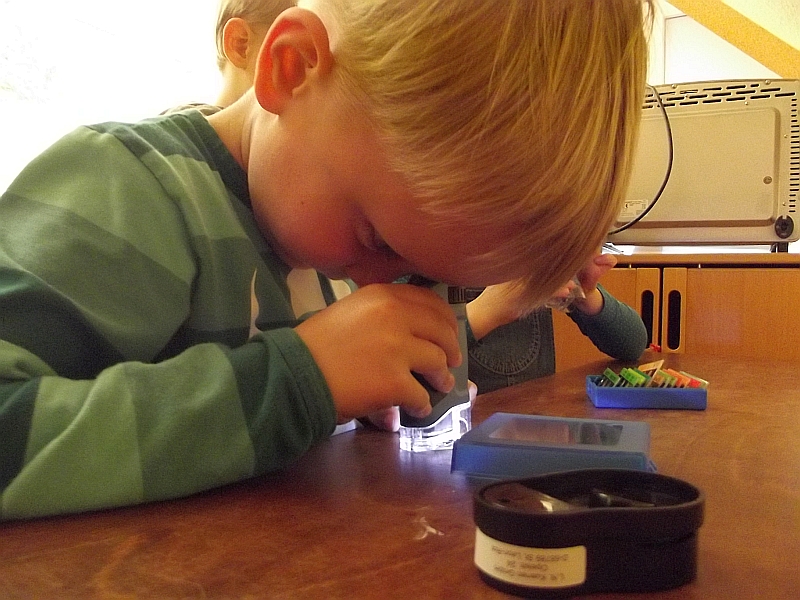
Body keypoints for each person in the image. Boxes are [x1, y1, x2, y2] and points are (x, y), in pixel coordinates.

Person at [0, 0, 653, 520]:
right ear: (291, 68)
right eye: (376, 238)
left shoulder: (318, 240)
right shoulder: (128, 189)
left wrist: (370, 391)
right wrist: (299, 385)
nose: (377, 283)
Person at [465, 252, 649, 393]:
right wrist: (486, 311)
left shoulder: (530, 255)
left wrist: (586, 294)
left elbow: (632, 345)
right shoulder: (448, 258)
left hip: (531, 421)